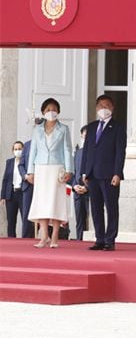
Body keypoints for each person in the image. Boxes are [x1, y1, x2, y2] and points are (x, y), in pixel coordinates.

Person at [81, 95, 127, 251]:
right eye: (100, 105)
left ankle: (110, 240)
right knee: (96, 208)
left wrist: (117, 173)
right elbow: (86, 151)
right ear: (96, 108)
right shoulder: (92, 127)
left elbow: (120, 152)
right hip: (92, 174)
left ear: (112, 108)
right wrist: (84, 172)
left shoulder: (118, 127)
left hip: (109, 175)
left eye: (107, 105)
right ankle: (99, 238)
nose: (103, 108)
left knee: (111, 207)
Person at [25, 98, 73, 248]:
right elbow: (33, 151)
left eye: (53, 109)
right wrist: (30, 172)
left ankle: (55, 235)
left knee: (56, 200)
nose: (50, 112)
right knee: (42, 201)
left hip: (57, 168)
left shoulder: (64, 129)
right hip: (41, 168)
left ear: (58, 111)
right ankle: (44, 235)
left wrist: (69, 169)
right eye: (47, 110)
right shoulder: (37, 129)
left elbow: (67, 150)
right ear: (43, 112)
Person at [1, 141, 25, 237]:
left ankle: (27, 240)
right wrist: (2, 196)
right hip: (11, 195)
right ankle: (11, 240)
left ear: (23, 150)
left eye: (20, 149)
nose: (18, 151)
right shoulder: (9, 162)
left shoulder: (26, 162)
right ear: (13, 151)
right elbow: (5, 179)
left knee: (26, 220)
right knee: (11, 221)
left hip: (23, 194)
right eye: (16, 149)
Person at [72, 125, 90, 240]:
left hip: (90, 191)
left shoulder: (96, 153)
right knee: (79, 220)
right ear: (81, 135)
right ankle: (79, 241)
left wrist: (87, 187)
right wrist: (74, 186)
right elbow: (73, 172)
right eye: (85, 134)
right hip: (78, 192)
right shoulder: (78, 153)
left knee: (92, 220)